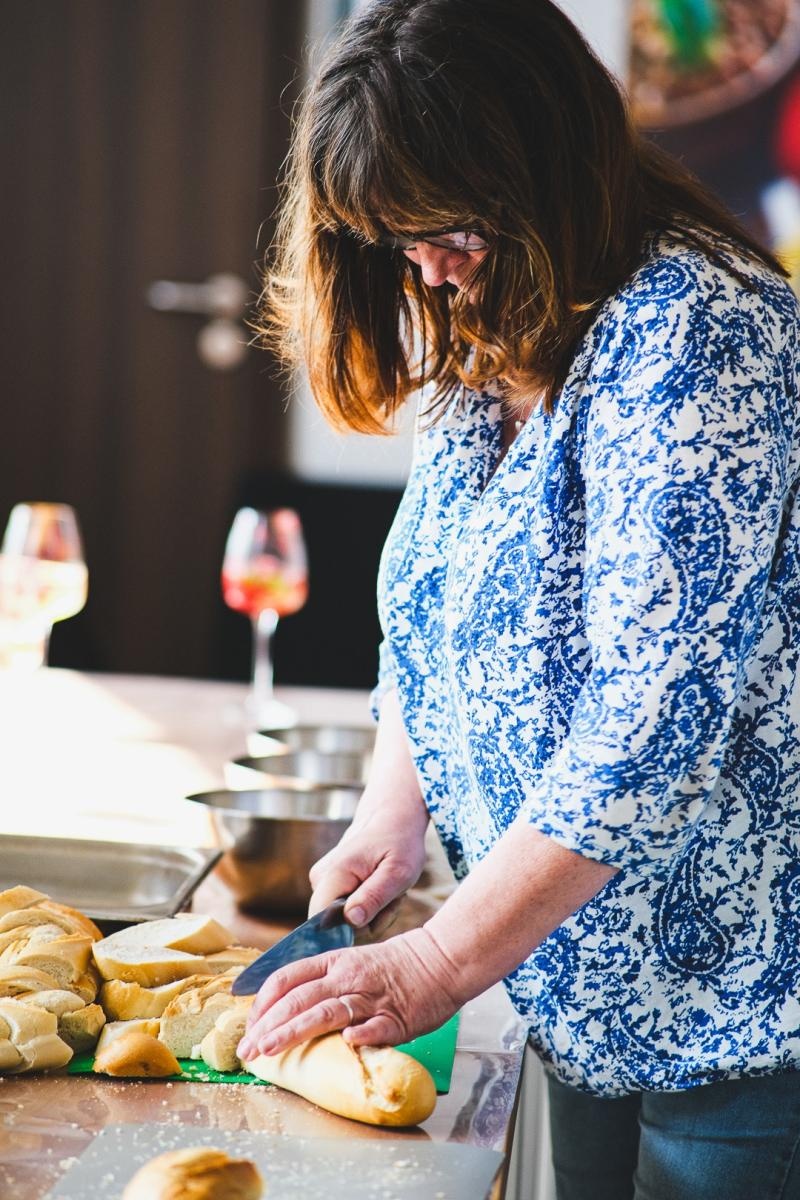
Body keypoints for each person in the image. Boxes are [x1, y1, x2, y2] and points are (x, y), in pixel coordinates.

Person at [238, 1, 800, 1195]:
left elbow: (648, 724)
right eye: (392, 239)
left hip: (742, 1010)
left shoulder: (697, 333)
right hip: (577, 983)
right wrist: (395, 812)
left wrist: (437, 962)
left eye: (443, 226)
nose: (425, 269)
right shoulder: (493, 324)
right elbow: (431, 627)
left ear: (542, 166)